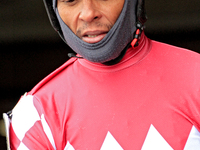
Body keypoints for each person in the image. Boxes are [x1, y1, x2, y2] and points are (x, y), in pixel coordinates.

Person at [3, 0, 200, 149]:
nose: (88, 14)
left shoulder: (195, 75)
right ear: (54, 11)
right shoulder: (35, 114)